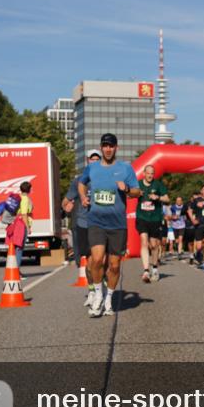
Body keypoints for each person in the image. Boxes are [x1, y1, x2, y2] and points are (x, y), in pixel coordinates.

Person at [77, 133, 140, 318]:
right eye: (105, 145)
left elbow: (137, 191)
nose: (108, 149)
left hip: (117, 225)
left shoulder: (125, 168)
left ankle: (108, 299)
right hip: (96, 222)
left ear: (116, 148)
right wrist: (83, 197)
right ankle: (98, 295)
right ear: (101, 147)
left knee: (114, 265)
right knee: (96, 260)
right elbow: (81, 183)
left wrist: (126, 189)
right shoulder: (92, 167)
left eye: (111, 146)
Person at [64, 150, 101, 307]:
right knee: (90, 261)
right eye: (92, 159)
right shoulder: (79, 180)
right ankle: (92, 290)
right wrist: (66, 205)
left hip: (102, 223)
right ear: (87, 161)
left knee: (101, 259)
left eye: (97, 159)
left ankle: (101, 290)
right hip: (84, 223)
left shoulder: (106, 178)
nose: (94, 161)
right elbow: (66, 200)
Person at [135, 165, 169, 283]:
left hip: (155, 218)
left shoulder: (158, 184)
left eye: (152, 173)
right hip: (142, 217)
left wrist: (158, 197)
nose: (150, 175)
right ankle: (146, 270)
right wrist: (136, 194)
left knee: (154, 245)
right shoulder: (138, 184)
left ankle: (154, 268)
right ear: (144, 173)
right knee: (144, 241)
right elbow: (129, 195)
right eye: (148, 173)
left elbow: (167, 199)